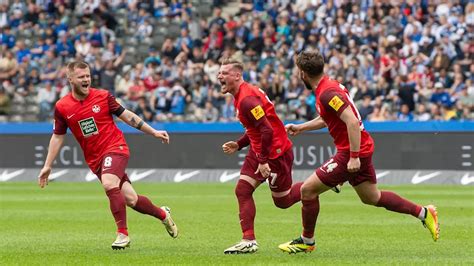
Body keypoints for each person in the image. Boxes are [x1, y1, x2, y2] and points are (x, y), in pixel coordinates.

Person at [278, 50, 439, 254]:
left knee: (307, 191)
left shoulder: (327, 93)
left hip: (352, 152)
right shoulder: (328, 87)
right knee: (371, 197)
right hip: (360, 147)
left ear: (302, 73)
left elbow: (352, 122)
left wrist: (353, 157)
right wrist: (302, 127)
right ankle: (424, 213)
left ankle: (306, 241)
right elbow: (330, 118)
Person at [37, 61, 178, 250]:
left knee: (109, 183)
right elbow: (57, 136)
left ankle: (123, 234)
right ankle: (163, 214)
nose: (86, 79)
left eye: (88, 75)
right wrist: (48, 165)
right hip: (95, 159)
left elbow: (126, 115)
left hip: (115, 147)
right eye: (81, 77)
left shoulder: (103, 96)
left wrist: (153, 132)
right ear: (70, 79)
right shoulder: (62, 107)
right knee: (131, 200)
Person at [218, 58, 303, 254]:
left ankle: (318, 183)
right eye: (219, 73)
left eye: (224, 73)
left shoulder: (247, 99)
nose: (219, 76)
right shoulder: (242, 95)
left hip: (275, 153)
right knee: (242, 190)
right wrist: (239, 144)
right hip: (259, 150)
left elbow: (267, 131)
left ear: (237, 75)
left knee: (283, 201)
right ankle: (248, 240)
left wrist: (264, 161)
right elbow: (257, 129)